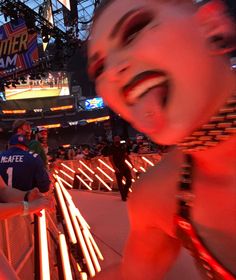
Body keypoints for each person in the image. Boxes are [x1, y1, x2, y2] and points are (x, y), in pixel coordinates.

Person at [88, 0, 236, 279]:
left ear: (212, 24)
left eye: (134, 30)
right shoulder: (157, 197)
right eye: (99, 68)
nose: (112, 71)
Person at [109, 135, 133, 201]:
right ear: (113, 140)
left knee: (129, 180)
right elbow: (111, 159)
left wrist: (131, 163)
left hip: (125, 166)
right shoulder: (111, 148)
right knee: (120, 182)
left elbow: (126, 155)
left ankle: (125, 193)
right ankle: (123, 196)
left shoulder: (123, 146)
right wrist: (114, 168)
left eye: (119, 138)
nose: (117, 140)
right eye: (116, 138)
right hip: (118, 166)